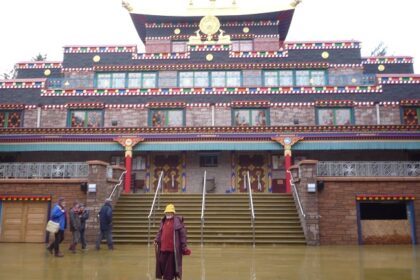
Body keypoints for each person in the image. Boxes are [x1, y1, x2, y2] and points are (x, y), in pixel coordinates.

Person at [154, 204, 189, 280]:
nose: (168, 214)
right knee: (162, 265)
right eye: (167, 212)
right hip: (163, 249)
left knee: (169, 271)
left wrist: (184, 247)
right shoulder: (163, 221)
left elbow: (183, 235)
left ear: (173, 213)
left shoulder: (177, 222)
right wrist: (156, 239)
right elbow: (160, 232)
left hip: (172, 251)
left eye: (170, 212)